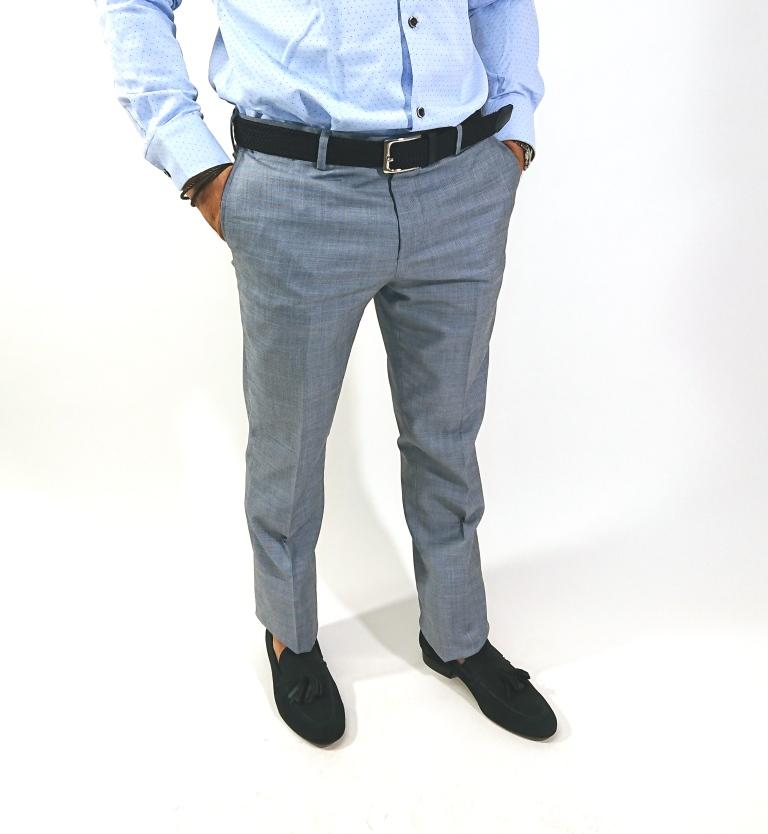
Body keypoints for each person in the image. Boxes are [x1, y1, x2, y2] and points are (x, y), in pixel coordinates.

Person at [94, 0, 557, 747]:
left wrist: (514, 130)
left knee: (448, 433)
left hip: (463, 184)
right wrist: (197, 164)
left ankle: (457, 633)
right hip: (299, 193)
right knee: (291, 442)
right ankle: (290, 635)